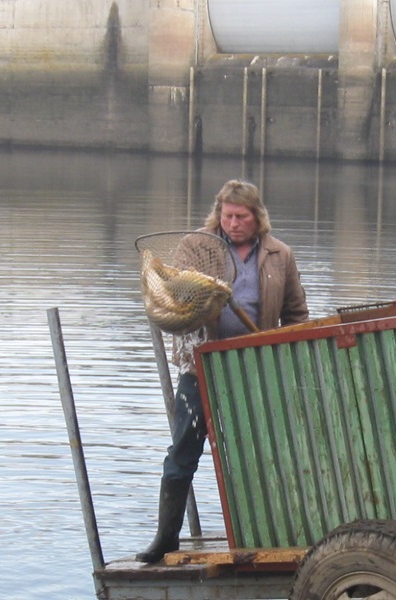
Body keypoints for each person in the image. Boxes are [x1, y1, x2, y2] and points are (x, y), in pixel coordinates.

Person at [136, 179, 309, 562]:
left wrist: (287, 356)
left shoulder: (280, 255)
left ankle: (267, 535)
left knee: (261, 452)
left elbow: (296, 314)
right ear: (219, 214)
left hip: (256, 366)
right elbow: (174, 304)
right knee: (183, 450)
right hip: (201, 365)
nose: (233, 223)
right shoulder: (195, 247)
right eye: (228, 216)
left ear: (257, 217)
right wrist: (207, 298)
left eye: (241, 216)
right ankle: (165, 539)